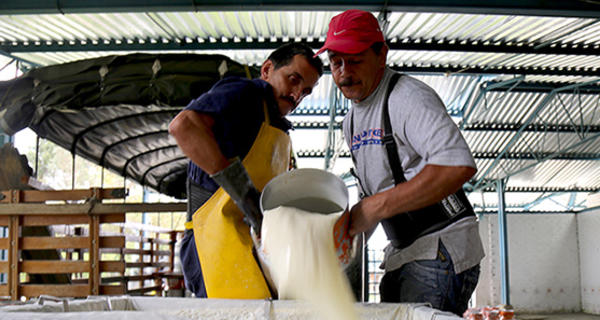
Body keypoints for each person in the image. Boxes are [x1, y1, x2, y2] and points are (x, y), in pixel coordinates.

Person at [315, 10, 484, 315]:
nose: (343, 73)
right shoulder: (351, 122)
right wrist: (339, 246)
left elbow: (456, 165)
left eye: (354, 60)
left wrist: (375, 207)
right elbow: (373, 193)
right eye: (336, 62)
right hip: (401, 250)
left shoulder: (407, 97)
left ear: (381, 55)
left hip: (438, 249)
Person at [169, 43, 323, 298]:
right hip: (215, 241)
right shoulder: (245, 94)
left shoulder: (278, 129)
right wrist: (245, 195)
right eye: (293, 80)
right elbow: (184, 126)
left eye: (306, 91)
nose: (297, 94)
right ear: (266, 69)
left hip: (253, 243)